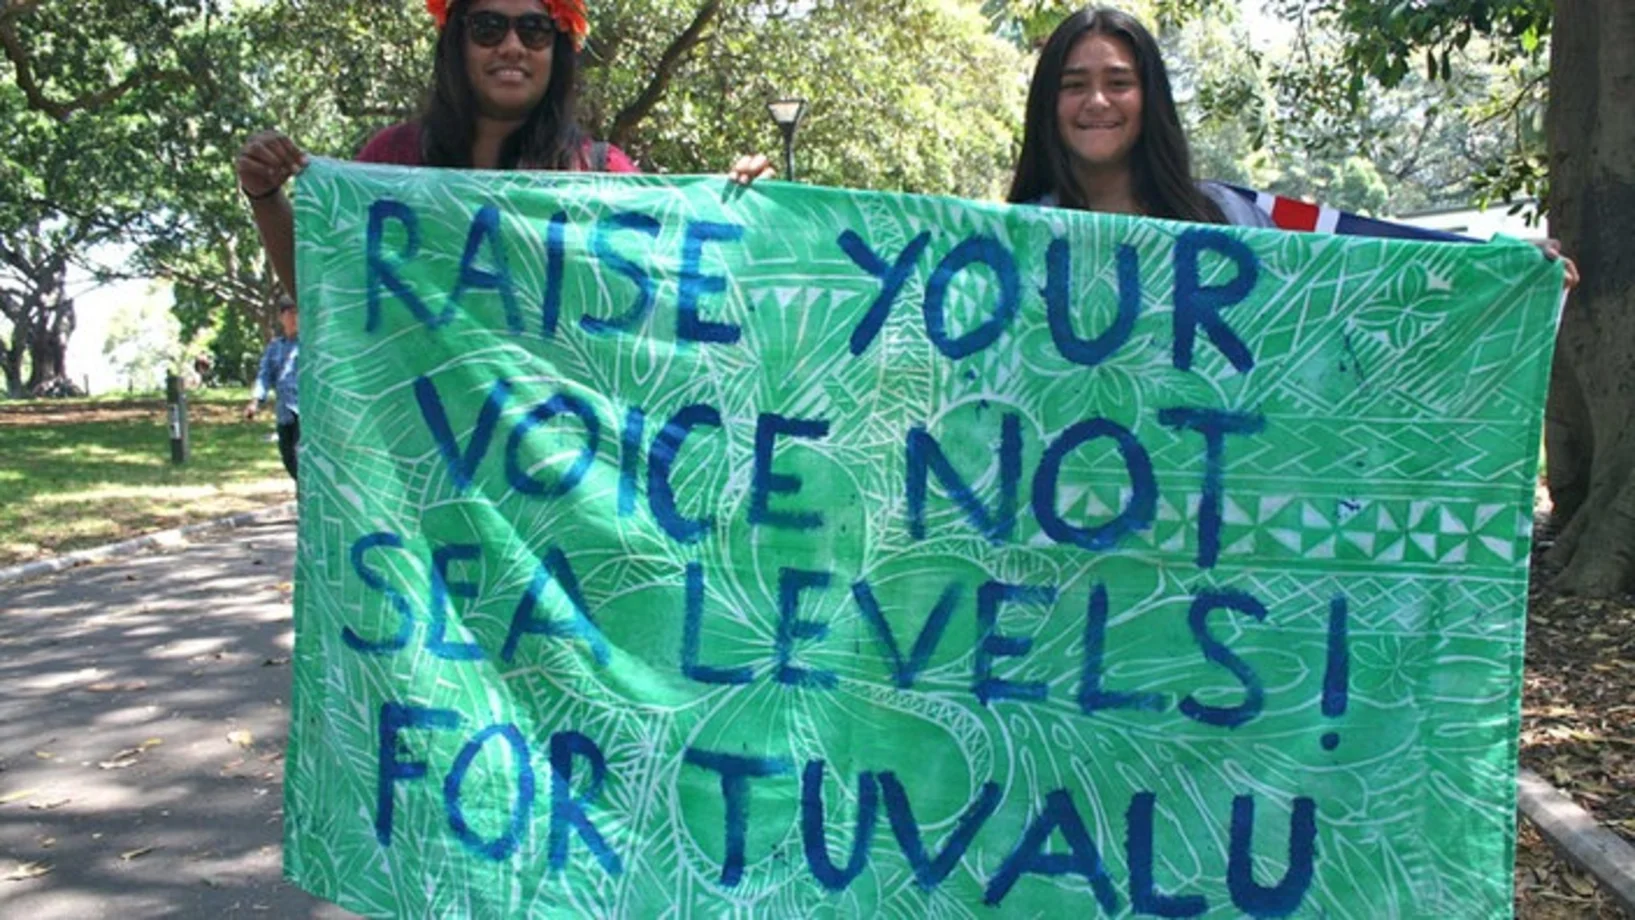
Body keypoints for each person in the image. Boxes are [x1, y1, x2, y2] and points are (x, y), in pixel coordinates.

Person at [234, 0, 771, 299]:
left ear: (556, 50)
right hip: (425, 481)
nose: (511, 46)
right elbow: (329, 293)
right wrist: (264, 196)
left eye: (534, 30)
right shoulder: (390, 159)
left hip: (562, 479)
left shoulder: (602, 170)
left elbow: (673, 299)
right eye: (489, 27)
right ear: (456, 43)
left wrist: (751, 215)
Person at [1007, 6, 1579, 286]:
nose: (1097, 102)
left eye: (1119, 82)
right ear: (1047, 105)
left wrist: (1500, 266)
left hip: (1211, 501)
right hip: (1059, 500)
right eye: (1073, 85)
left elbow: (1353, 276)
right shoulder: (1009, 241)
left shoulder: (1224, 217)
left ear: (1149, 97)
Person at [246, 296, 301, 481]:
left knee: (302, 457)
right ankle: (304, 491)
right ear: (282, 317)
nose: (295, 318)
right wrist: (255, 401)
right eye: (291, 313)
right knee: (288, 458)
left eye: (298, 313)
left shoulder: (309, 345)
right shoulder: (274, 347)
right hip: (285, 413)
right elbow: (265, 375)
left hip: (305, 413)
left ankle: (308, 496)